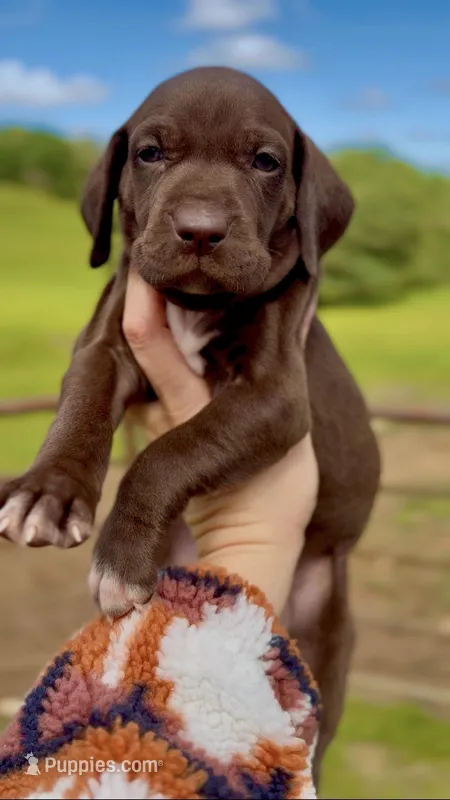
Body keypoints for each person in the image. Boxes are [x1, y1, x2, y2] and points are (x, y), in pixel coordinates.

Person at [0, 270, 321, 800]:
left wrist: (134, 493)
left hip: (297, 550)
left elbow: (46, 770)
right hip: (238, 559)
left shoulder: (35, 769)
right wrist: (251, 538)